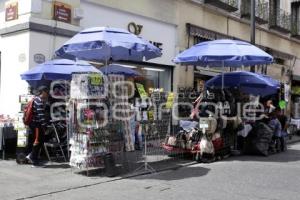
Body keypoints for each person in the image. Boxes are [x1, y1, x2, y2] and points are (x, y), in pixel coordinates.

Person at [26, 86, 50, 166]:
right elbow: (41, 115)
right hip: (36, 125)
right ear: (42, 92)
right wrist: (45, 126)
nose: (47, 93)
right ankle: (33, 159)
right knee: (38, 141)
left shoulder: (36, 99)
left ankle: (32, 156)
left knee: (39, 141)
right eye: (46, 92)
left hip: (35, 125)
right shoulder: (38, 101)